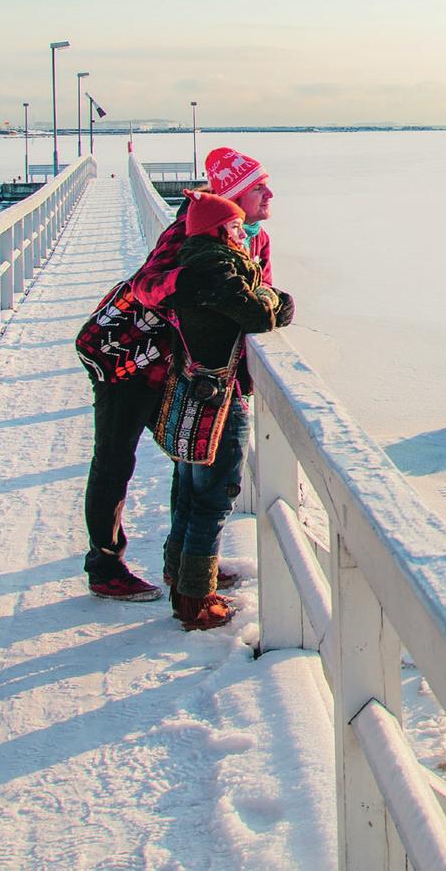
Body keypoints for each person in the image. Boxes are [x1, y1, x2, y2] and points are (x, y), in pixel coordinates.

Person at [83, 147, 278, 601]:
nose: (270, 194)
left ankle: (184, 563)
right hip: (128, 362)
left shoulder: (255, 239)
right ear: (232, 198)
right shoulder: (191, 232)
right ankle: (104, 565)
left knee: (187, 458)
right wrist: (193, 285)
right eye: (257, 188)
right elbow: (146, 287)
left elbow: (260, 296)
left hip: (180, 367)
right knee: (114, 461)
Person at [163, 191, 293, 630]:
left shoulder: (197, 261)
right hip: (216, 397)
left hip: (195, 390)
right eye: (236, 228)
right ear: (218, 231)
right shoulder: (215, 267)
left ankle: (181, 577)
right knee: (214, 498)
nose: (244, 235)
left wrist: (267, 296)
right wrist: (273, 299)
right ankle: (196, 600)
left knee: (189, 490)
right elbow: (258, 313)